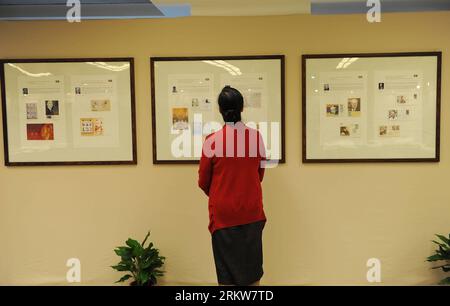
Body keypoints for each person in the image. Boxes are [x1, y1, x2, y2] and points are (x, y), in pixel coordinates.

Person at [198, 86, 266, 286]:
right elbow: (259, 174)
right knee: (252, 271)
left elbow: (203, 181)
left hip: (223, 214)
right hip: (252, 211)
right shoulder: (256, 138)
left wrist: (222, 192)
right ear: (242, 108)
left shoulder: (211, 141)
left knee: (227, 275)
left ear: (220, 110)